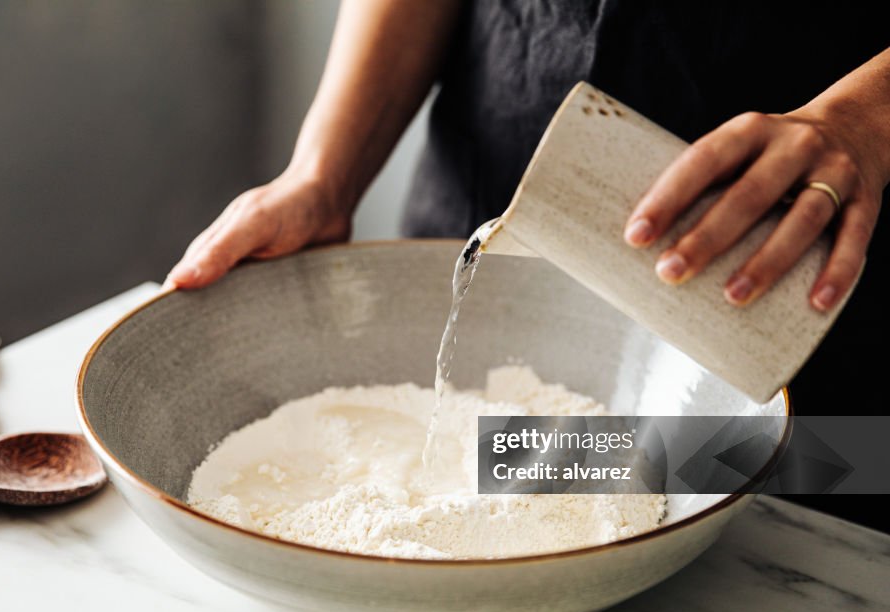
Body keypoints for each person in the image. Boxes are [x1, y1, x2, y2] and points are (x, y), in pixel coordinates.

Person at [165, 1, 889, 416]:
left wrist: (866, 120)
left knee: (788, 539)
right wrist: (323, 175)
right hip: (493, 209)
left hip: (808, 275)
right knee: (482, 485)